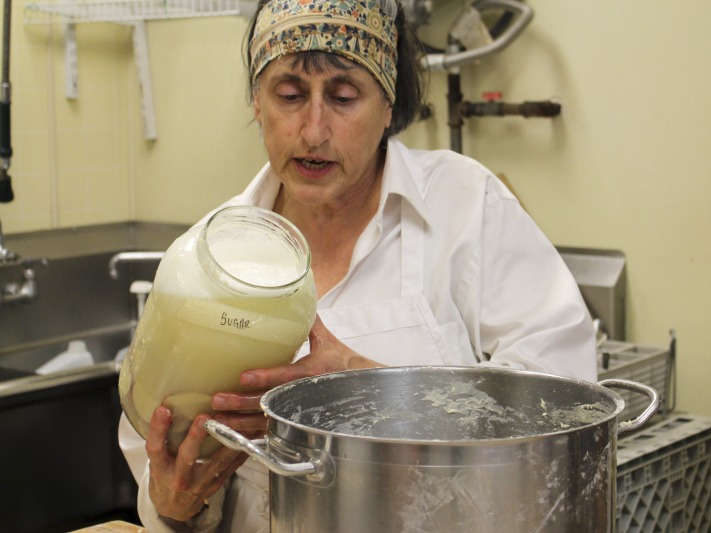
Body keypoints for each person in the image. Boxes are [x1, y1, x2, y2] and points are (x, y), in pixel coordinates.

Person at [119, 0, 597, 530]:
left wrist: (363, 390)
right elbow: (156, 458)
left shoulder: (464, 205)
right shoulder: (212, 256)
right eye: (290, 95)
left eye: (344, 98)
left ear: (388, 107)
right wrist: (174, 505)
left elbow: (565, 408)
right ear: (257, 100)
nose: (314, 131)